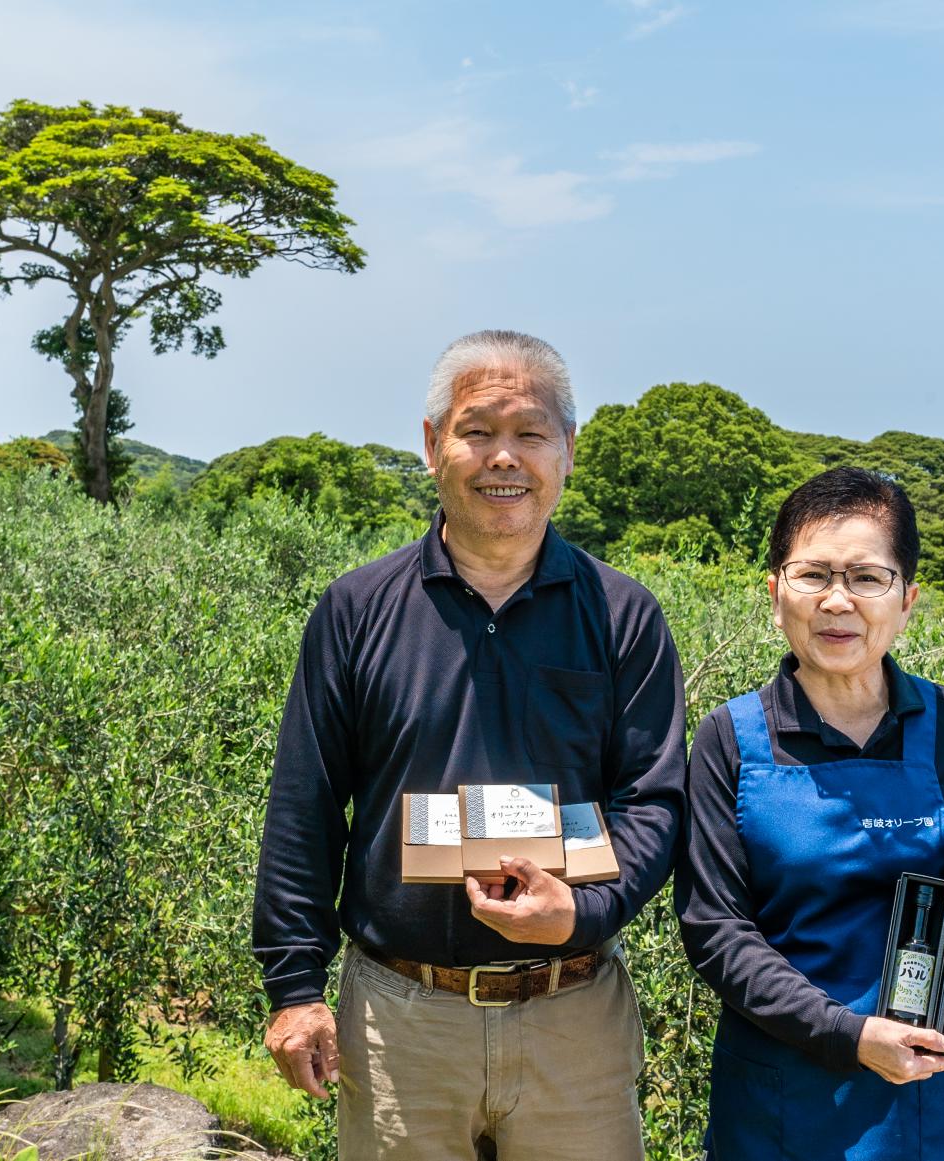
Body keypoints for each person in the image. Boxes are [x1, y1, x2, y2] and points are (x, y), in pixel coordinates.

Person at [251, 330, 685, 1160]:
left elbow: (654, 799)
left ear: (568, 451)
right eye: (477, 430)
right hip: (401, 1019)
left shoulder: (624, 614)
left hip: (574, 1016)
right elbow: (305, 806)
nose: (503, 459)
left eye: (530, 434)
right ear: (431, 444)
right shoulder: (356, 610)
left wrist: (580, 911)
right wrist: (294, 986)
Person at [674, 466, 944, 1160]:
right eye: (813, 574)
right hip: (792, 1101)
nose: (838, 601)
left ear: (907, 599)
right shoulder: (731, 739)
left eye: (867, 578)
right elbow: (715, 929)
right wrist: (849, 1033)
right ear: (776, 592)